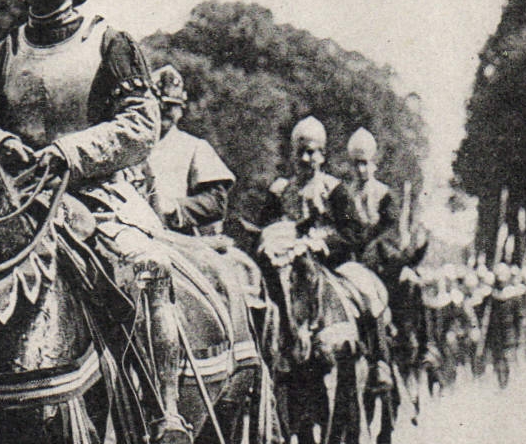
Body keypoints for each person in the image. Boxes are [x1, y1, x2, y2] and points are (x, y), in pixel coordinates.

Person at [0, 0, 191, 444]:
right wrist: (2, 143)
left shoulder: (110, 43)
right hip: (17, 200)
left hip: (100, 197)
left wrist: (68, 153)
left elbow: (141, 124)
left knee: (148, 267)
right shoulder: (0, 55)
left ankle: (164, 411)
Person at [267, 118, 396, 390]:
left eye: (312, 152)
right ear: (292, 154)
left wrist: (323, 241)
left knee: (365, 288)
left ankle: (378, 362)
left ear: (322, 155)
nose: (306, 158)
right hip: (287, 267)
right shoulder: (280, 190)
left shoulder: (334, 190)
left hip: (330, 264)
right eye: (301, 152)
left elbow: (355, 232)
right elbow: (265, 228)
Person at [145, 65, 235, 235]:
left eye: (172, 105)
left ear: (181, 109)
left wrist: (174, 207)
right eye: (159, 105)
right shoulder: (131, 145)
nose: (165, 111)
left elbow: (216, 202)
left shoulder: (193, 146)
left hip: (177, 235)